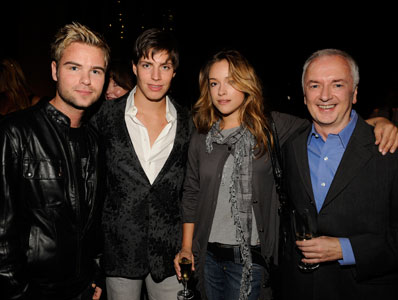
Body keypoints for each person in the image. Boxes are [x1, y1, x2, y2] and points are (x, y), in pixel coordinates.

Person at [173, 49, 398, 300]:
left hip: (252, 260)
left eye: (232, 81)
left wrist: (377, 122)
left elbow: (332, 121)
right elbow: (191, 192)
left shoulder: (273, 128)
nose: (222, 91)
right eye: (214, 83)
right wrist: (187, 246)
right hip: (209, 256)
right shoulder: (202, 136)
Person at [0, 22, 110, 300]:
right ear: (54, 71)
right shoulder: (15, 133)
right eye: (74, 68)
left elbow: (95, 221)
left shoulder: (95, 140)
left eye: (95, 71)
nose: (86, 80)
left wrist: (96, 273)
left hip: (83, 289)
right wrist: (18, 293)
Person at [280, 49, 398, 300]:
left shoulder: (388, 150)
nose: (324, 95)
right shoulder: (290, 148)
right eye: (314, 85)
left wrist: (346, 249)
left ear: (354, 93)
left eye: (337, 84)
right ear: (304, 95)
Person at [92, 28, 192, 300]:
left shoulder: (188, 123)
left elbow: (190, 191)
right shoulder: (105, 117)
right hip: (119, 252)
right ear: (134, 67)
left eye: (165, 66)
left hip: (170, 256)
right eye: (148, 65)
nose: (156, 77)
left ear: (174, 71)